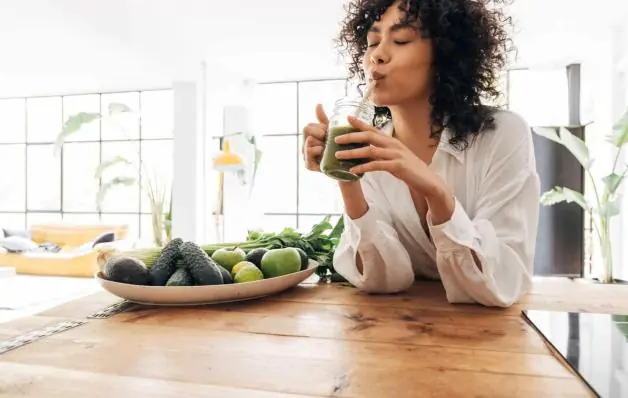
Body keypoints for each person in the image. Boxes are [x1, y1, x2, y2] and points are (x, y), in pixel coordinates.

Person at [302, 0, 540, 307]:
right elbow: (383, 280)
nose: (377, 54)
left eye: (400, 40)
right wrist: (346, 177)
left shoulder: (502, 135)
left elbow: (503, 282)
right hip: (395, 336)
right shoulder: (368, 147)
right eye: (373, 41)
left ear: (445, 54)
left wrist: (436, 192)